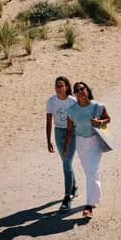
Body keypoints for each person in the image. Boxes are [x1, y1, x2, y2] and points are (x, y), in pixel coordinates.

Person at [63, 81, 111, 219]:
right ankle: (95, 198)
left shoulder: (98, 106)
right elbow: (69, 129)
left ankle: (88, 206)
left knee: (91, 171)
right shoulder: (71, 110)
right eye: (77, 91)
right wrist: (66, 145)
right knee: (90, 172)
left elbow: (108, 119)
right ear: (75, 94)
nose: (80, 92)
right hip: (80, 142)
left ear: (87, 90)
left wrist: (101, 122)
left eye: (82, 89)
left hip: (95, 141)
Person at [46, 76, 78, 211]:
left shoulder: (73, 101)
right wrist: (48, 140)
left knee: (66, 162)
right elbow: (48, 121)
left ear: (66, 87)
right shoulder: (51, 101)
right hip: (58, 132)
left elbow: (76, 121)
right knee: (66, 162)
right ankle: (74, 186)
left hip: (72, 133)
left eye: (60, 86)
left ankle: (67, 197)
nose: (58, 88)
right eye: (56, 86)